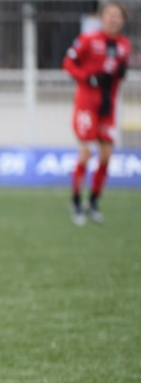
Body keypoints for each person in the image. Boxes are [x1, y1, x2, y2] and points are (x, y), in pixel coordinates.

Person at [63, 2, 130, 226]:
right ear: (102, 18)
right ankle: (75, 201)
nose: (113, 19)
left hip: (107, 107)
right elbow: (68, 63)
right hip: (86, 105)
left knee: (106, 156)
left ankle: (92, 201)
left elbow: (117, 72)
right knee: (86, 153)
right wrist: (87, 78)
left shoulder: (124, 45)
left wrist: (122, 72)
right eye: (110, 15)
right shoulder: (88, 39)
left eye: (118, 16)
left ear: (123, 20)